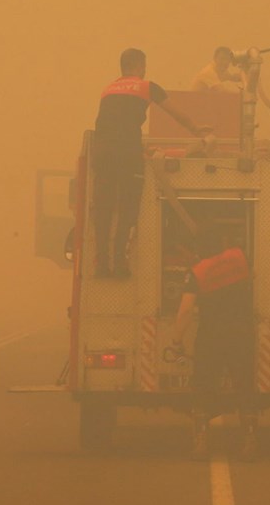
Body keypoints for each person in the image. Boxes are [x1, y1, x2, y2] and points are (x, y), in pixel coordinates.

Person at [93, 48, 209, 278]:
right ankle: (119, 264)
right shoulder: (146, 87)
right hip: (127, 153)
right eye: (143, 66)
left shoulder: (108, 90)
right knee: (127, 207)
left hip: (103, 152)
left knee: (104, 209)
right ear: (138, 66)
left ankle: (101, 265)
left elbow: (112, 124)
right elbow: (175, 113)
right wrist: (195, 129)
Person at [170, 227, 258, 461]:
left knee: (203, 388)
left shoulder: (198, 272)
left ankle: (201, 442)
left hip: (211, 337)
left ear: (199, 249)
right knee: (244, 387)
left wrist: (177, 340)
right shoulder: (240, 258)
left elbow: (186, 309)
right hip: (241, 334)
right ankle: (250, 441)